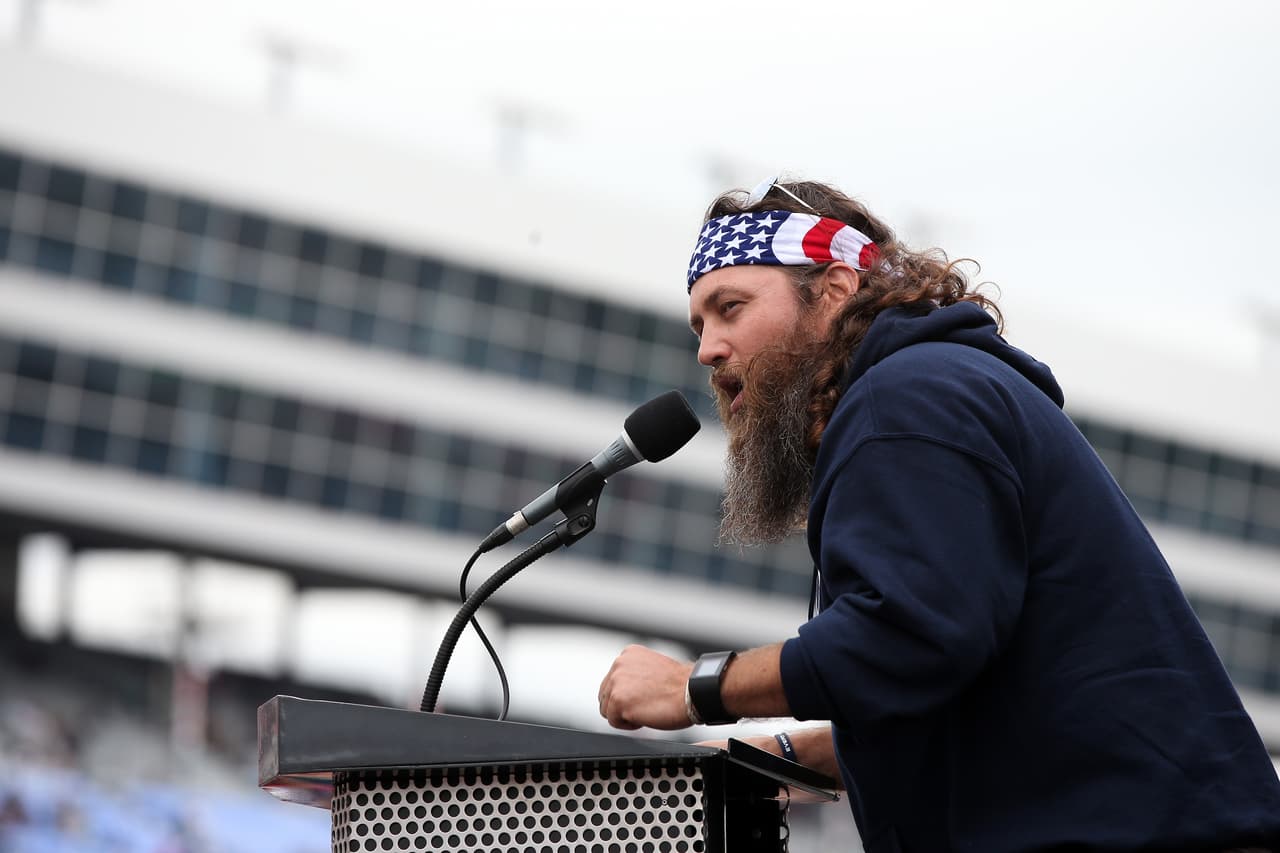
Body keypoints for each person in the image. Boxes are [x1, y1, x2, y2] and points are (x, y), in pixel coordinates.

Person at [596, 178, 1280, 852]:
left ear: (833, 290)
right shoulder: (928, 388)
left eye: (731, 307)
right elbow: (970, 671)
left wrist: (693, 686)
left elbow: (909, 636)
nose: (708, 348)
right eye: (700, 322)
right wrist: (798, 750)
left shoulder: (903, 401)